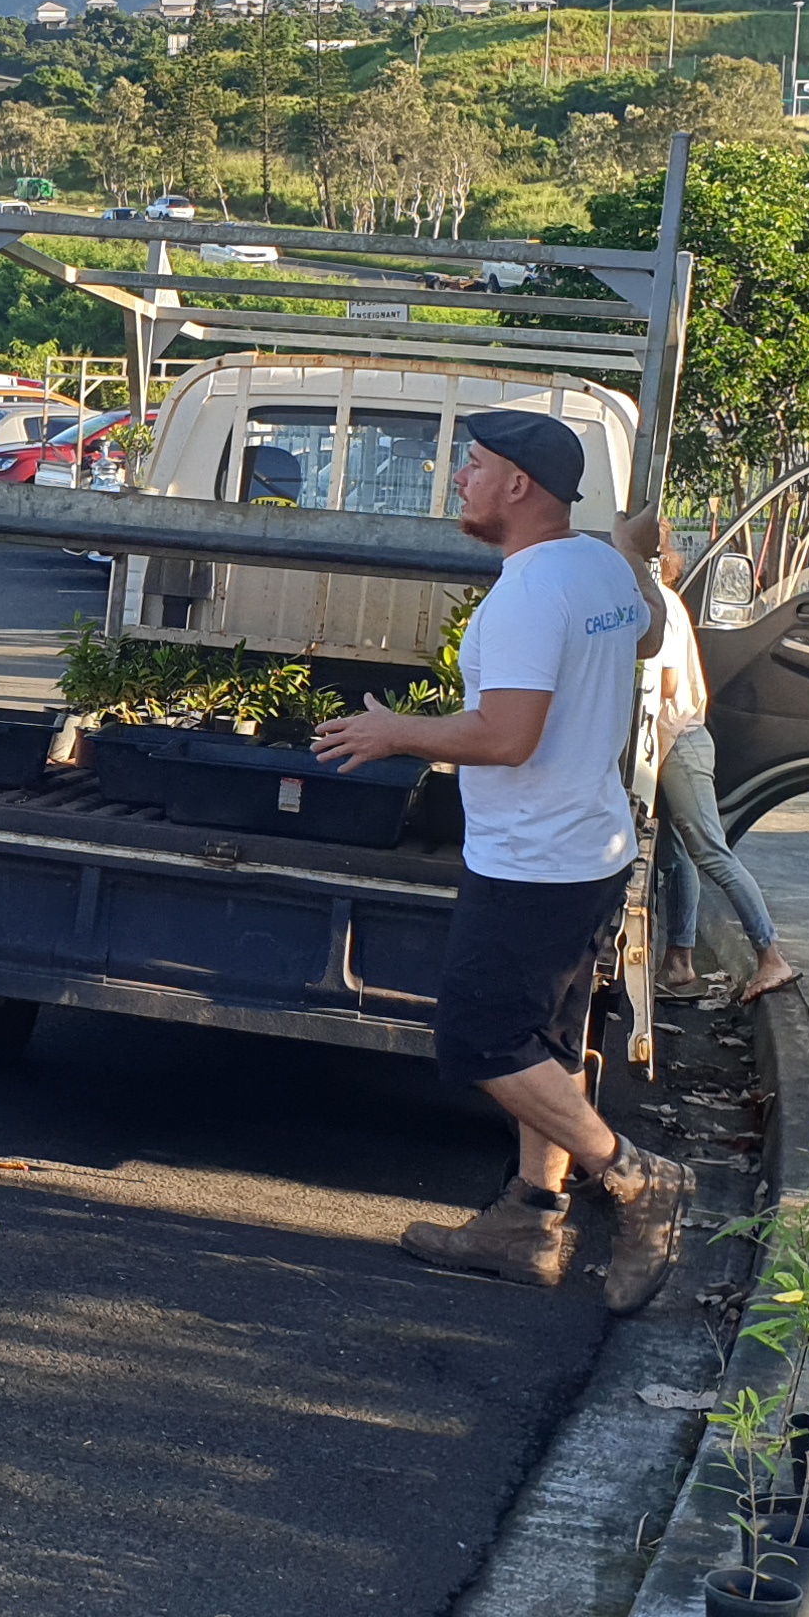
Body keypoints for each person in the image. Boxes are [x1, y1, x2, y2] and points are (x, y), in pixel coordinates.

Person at [306, 411, 698, 1314]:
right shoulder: (597, 565)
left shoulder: (528, 593)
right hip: (588, 847)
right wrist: (633, 551)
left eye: (473, 464)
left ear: (519, 485)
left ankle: (637, 1179)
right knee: (546, 1043)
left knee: (481, 1041)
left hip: (534, 859)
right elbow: (647, 634)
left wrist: (395, 732)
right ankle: (531, 1219)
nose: (458, 477)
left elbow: (507, 736)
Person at [648, 546, 797, 1005]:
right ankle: (679, 963)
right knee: (677, 857)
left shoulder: (658, 603)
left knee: (710, 852)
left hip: (680, 741)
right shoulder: (663, 600)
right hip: (675, 742)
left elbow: (667, 683)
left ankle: (770, 955)